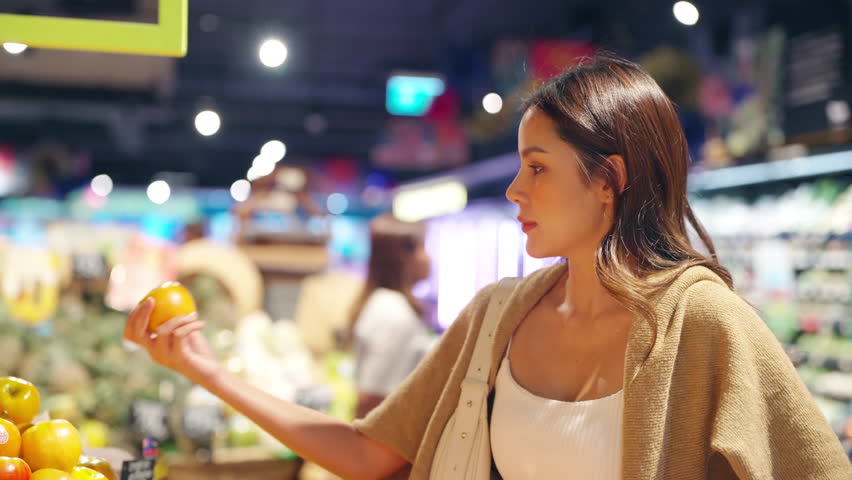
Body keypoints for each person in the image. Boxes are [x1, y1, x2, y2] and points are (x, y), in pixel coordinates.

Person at [124, 53, 852, 479]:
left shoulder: (703, 324)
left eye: (537, 167)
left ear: (610, 179)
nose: (514, 190)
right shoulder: (500, 316)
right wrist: (206, 371)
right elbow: (368, 453)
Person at [344, 214, 434, 419]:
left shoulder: (386, 304)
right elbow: (370, 397)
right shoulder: (394, 312)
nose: (429, 258)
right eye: (423, 248)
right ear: (402, 256)